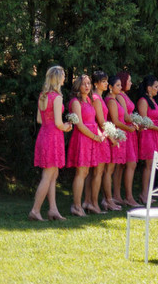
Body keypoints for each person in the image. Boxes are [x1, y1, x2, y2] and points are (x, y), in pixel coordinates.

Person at [29, 65, 73, 222]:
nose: (65, 78)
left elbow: (39, 119)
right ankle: (35, 210)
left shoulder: (43, 95)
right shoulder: (57, 97)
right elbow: (59, 123)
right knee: (48, 175)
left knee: (53, 174)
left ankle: (53, 210)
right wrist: (67, 126)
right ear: (58, 78)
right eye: (63, 75)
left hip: (43, 135)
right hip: (53, 138)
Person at [66, 74, 106, 217]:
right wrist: (95, 137)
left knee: (86, 172)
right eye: (84, 84)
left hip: (91, 139)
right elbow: (80, 125)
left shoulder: (89, 100)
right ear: (78, 86)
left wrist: (100, 135)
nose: (87, 86)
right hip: (83, 139)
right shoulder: (76, 102)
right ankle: (76, 206)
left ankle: (85, 204)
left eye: (89, 83)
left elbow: (93, 122)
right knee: (81, 172)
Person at [107, 73, 140, 208]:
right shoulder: (118, 96)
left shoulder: (122, 95)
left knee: (121, 165)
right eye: (129, 81)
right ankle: (126, 196)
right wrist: (138, 121)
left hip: (128, 131)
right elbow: (125, 116)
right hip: (125, 130)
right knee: (128, 164)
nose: (130, 83)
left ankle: (118, 196)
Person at [89, 71, 117, 211]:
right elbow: (101, 121)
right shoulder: (96, 98)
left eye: (106, 81)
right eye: (103, 81)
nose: (106, 84)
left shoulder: (99, 97)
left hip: (103, 136)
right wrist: (111, 137)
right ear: (96, 84)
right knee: (98, 172)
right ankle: (94, 203)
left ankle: (95, 202)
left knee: (99, 172)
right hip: (100, 137)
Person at [135, 75, 158, 202]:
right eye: (156, 86)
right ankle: (144, 194)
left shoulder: (152, 100)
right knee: (148, 164)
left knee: (152, 164)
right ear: (148, 88)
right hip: (148, 135)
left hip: (155, 134)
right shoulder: (143, 101)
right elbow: (144, 121)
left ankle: (148, 192)